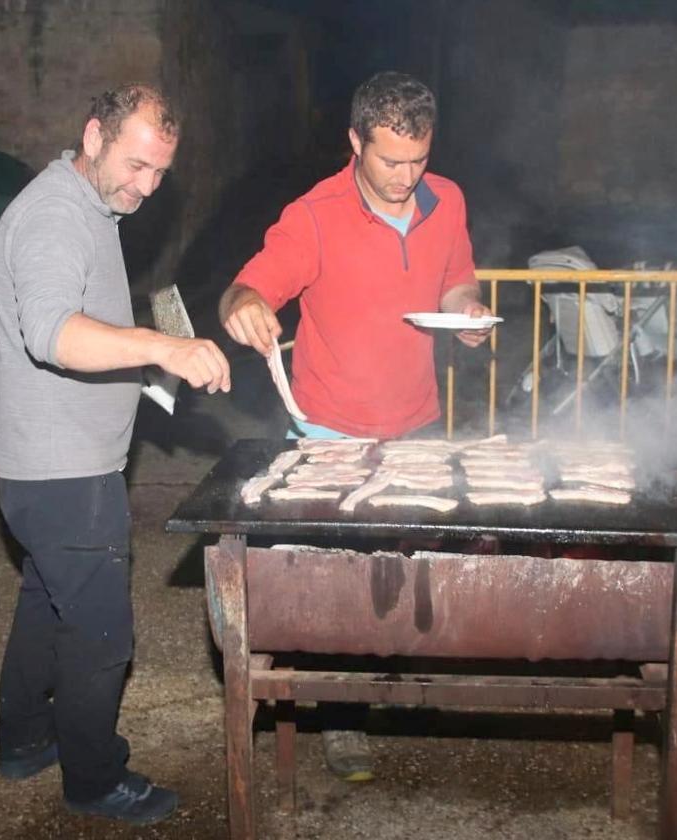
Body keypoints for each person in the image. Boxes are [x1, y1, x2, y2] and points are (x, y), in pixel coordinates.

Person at [218, 71, 492, 779]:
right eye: (389, 160)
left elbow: (458, 277)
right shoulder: (315, 214)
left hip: (418, 425)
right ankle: (342, 722)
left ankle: (400, 689)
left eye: (418, 160)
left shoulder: (448, 200)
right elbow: (248, 286)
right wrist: (244, 306)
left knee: (410, 574)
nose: (405, 177)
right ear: (354, 142)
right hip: (333, 433)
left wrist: (466, 312)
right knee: (340, 589)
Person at [0, 84, 230, 825]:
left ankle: (24, 739)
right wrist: (164, 346)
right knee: (101, 636)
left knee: (47, 608)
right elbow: (54, 334)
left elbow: (84, 325)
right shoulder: (55, 215)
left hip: (46, 469)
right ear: (93, 134)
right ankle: (94, 779)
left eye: (160, 172)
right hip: (64, 474)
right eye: (135, 164)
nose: (146, 186)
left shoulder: (89, 203)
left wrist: (142, 364)